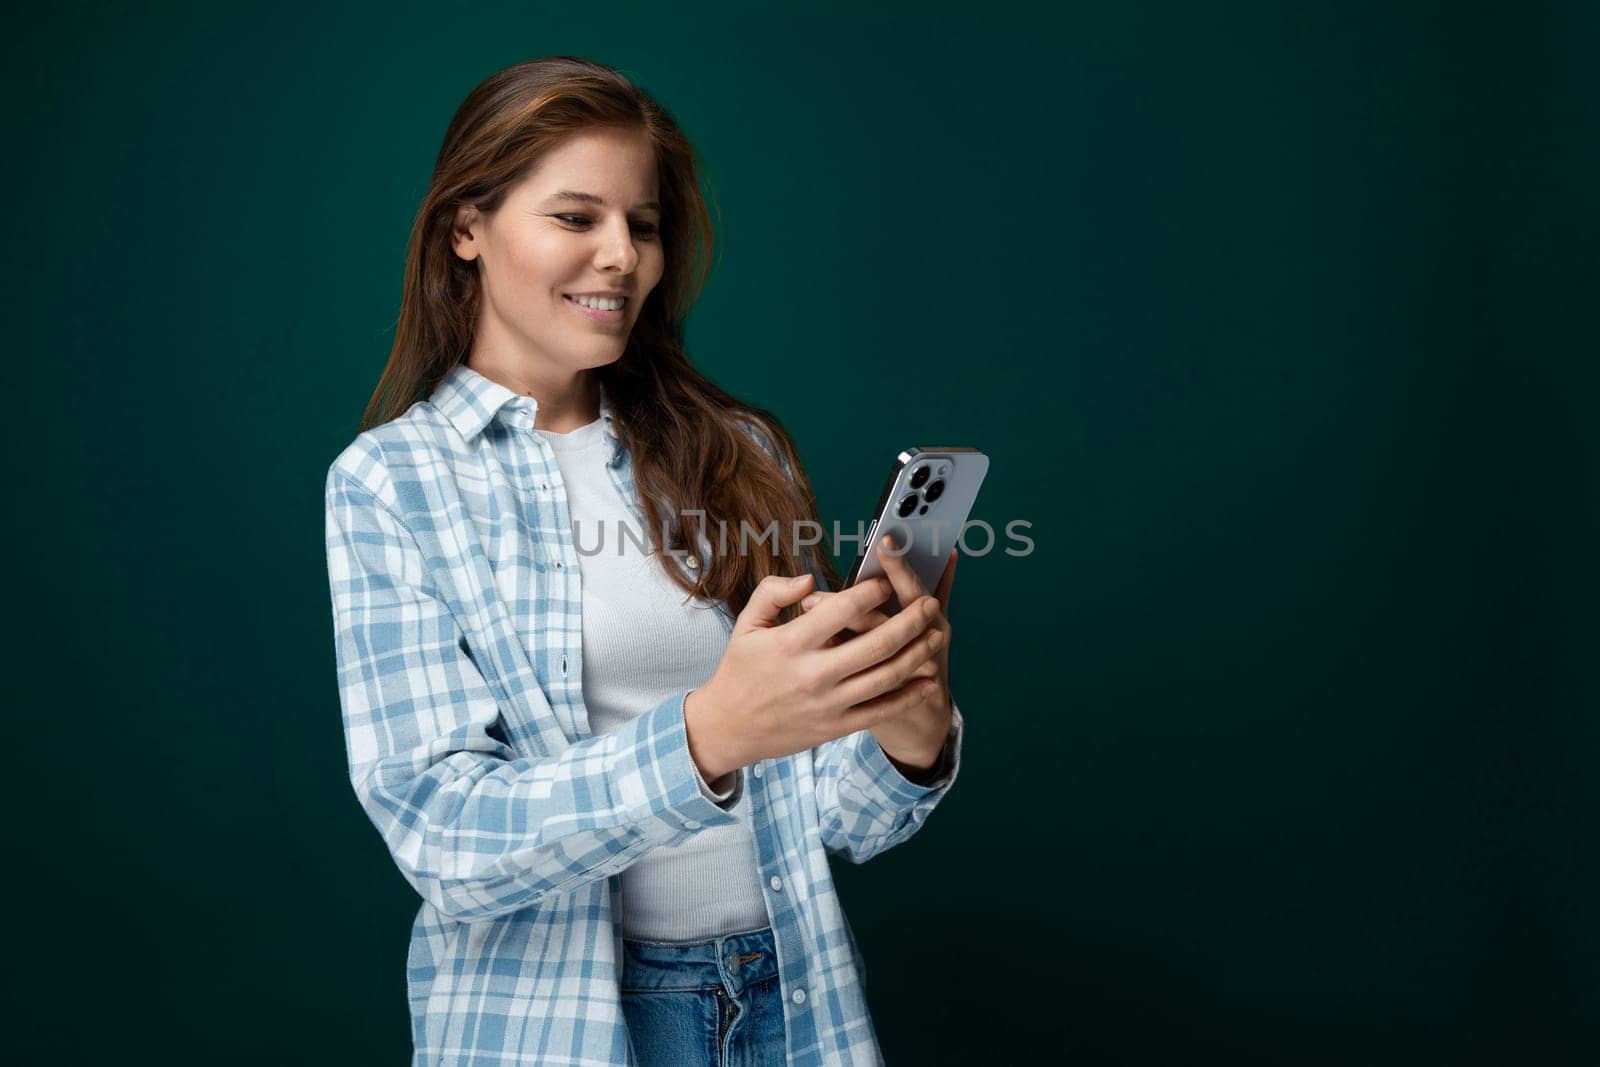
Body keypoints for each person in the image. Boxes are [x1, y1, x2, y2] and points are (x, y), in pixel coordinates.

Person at [323, 56, 965, 1066]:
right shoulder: (393, 482)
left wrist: (905, 728)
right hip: (572, 1024)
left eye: (644, 222)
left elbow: (840, 815)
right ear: (466, 230)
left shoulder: (733, 450)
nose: (621, 254)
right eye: (576, 218)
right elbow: (444, 837)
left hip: (794, 994)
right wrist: (706, 735)